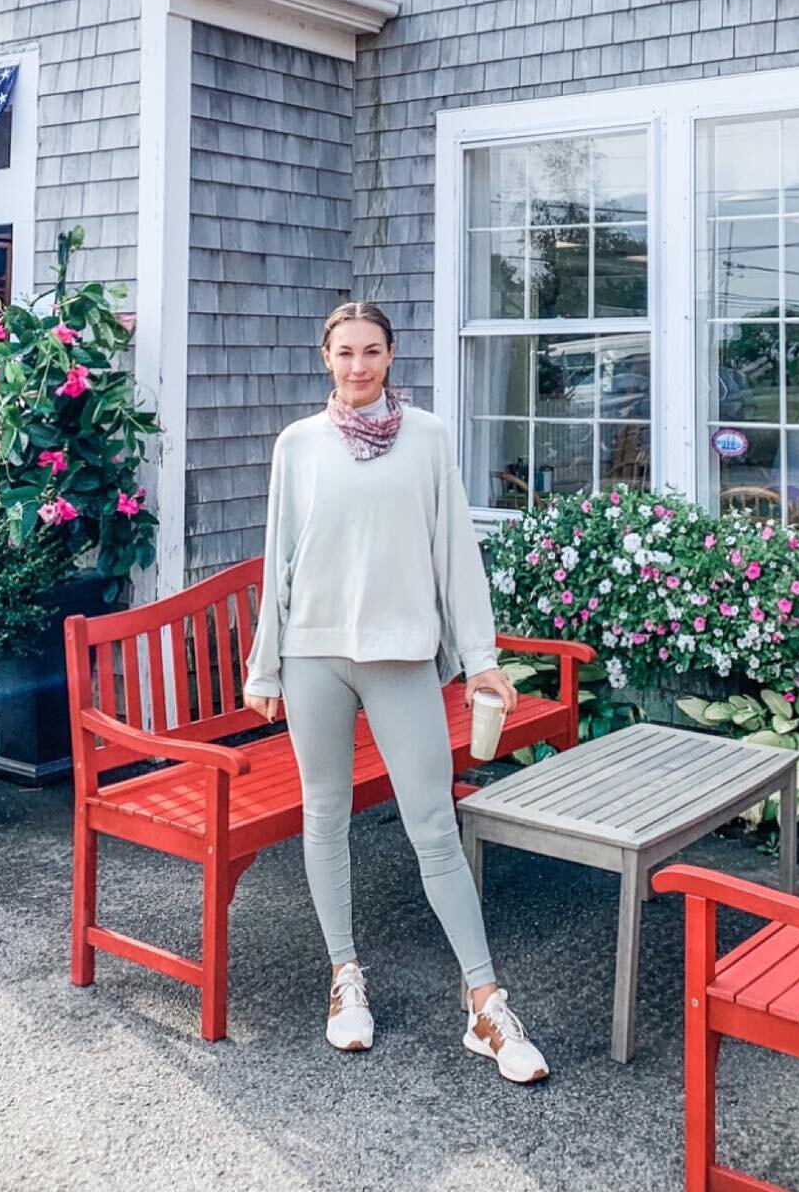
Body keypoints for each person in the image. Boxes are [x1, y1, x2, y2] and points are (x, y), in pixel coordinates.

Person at [244, 300, 549, 1083]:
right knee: (326, 815)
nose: (357, 366)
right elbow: (280, 557)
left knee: (433, 827)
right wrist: (265, 667)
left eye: (371, 351)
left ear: (390, 356)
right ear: (325, 357)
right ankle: (345, 977)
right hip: (314, 656)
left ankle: (485, 1003)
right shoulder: (298, 446)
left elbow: (456, 554)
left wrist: (480, 657)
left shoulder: (429, 438)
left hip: (402, 657)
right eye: (344, 352)